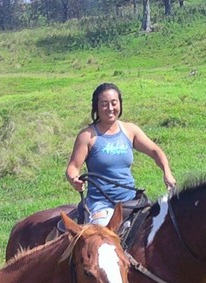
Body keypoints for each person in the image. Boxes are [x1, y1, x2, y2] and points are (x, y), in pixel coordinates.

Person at [65, 82, 177, 226]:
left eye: (114, 103)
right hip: (101, 204)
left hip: (130, 199)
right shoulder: (87, 136)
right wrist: (74, 179)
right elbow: (73, 167)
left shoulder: (130, 130)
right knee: (102, 240)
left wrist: (167, 172)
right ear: (96, 107)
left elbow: (156, 151)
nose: (110, 108)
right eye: (104, 104)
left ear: (120, 104)